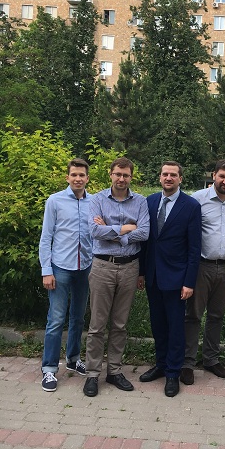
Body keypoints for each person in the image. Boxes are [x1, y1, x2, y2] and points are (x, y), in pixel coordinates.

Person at [83, 158, 150, 397]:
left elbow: (144, 232)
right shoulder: (97, 200)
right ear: (110, 174)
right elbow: (94, 231)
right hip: (102, 266)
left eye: (126, 175)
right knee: (97, 325)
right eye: (118, 174)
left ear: (131, 177)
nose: (121, 179)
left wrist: (111, 230)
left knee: (120, 324)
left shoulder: (140, 201)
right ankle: (92, 374)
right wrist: (127, 228)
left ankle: (114, 371)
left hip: (130, 267)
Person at [139, 162, 201, 397]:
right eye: (165, 174)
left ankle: (173, 373)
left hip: (177, 277)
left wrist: (189, 282)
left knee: (176, 327)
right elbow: (145, 241)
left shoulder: (191, 206)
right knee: (158, 324)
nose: (168, 178)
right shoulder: (150, 201)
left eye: (173, 175)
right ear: (160, 177)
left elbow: (194, 248)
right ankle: (161, 364)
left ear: (180, 179)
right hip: (153, 275)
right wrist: (141, 272)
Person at [180, 159, 225, 385]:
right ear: (214, 176)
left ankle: (211, 359)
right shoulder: (197, 199)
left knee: (217, 316)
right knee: (193, 315)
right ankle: (187, 362)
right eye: (222, 176)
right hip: (201, 266)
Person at [39, 159, 92, 392]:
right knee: (56, 319)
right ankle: (49, 368)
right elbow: (46, 237)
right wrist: (46, 270)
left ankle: (73, 359)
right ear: (67, 177)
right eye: (74, 175)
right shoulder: (55, 201)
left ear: (87, 178)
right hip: (60, 267)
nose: (78, 179)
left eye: (81, 175)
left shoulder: (94, 202)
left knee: (78, 317)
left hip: (85, 268)